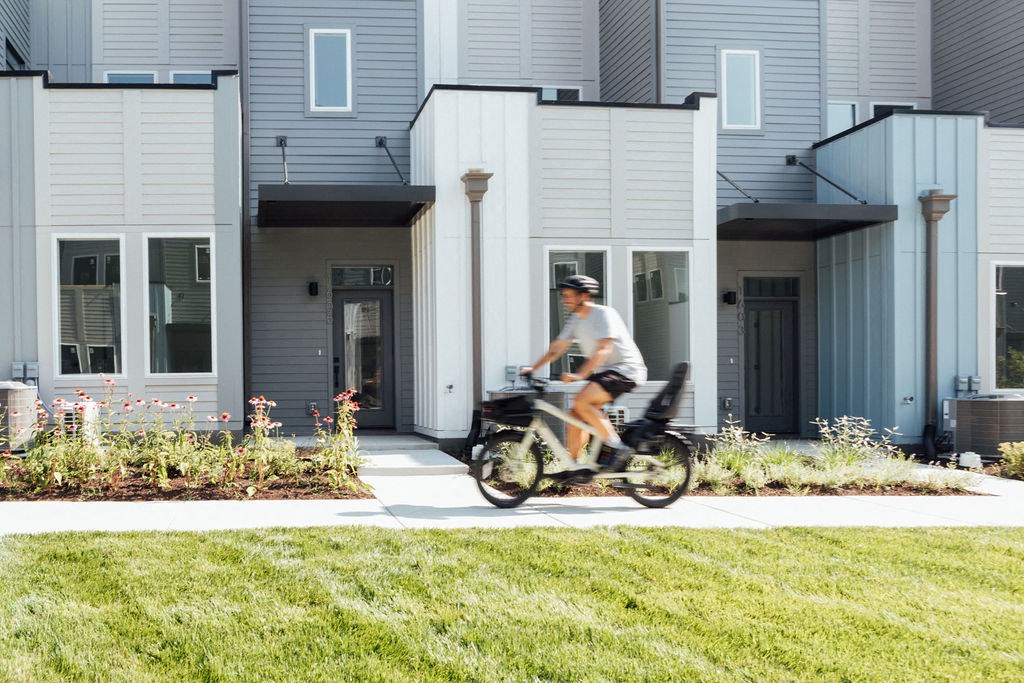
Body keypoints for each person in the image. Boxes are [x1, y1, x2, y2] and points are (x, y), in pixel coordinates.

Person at [520, 274, 647, 470]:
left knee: (582, 400)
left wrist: (580, 375)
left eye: (569, 295)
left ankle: (618, 448)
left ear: (584, 295)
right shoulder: (576, 320)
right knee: (574, 416)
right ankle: (575, 467)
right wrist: (533, 368)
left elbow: (603, 349)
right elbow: (556, 348)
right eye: (564, 296)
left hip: (627, 369)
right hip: (607, 373)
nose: (565, 299)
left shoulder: (604, 314)